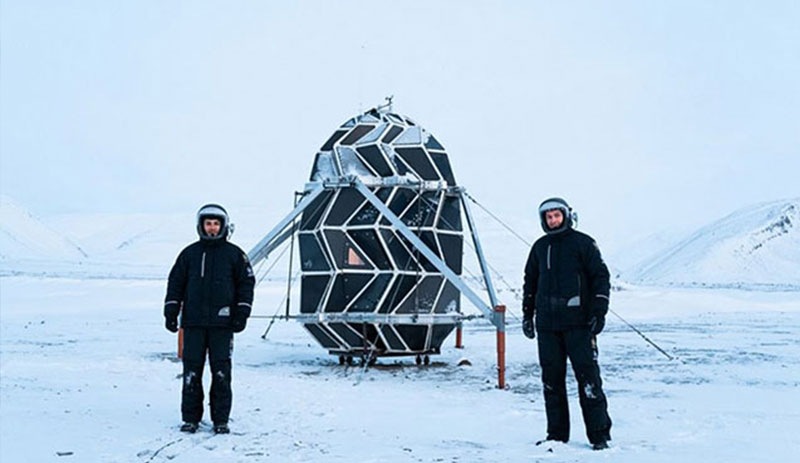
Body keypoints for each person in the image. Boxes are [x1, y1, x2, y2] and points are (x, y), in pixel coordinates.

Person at [522, 197, 612, 450]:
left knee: (588, 380)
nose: (553, 221)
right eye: (548, 217)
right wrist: (528, 315)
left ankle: (599, 435)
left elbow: (600, 278)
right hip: (548, 326)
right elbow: (530, 282)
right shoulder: (540, 247)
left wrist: (599, 311)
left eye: (556, 216)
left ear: (566, 215)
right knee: (551, 381)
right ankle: (557, 435)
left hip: (579, 325)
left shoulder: (584, 243)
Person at [164, 203, 255, 434]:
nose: (212, 228)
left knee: (221, 373)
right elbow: (175, 283)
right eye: (208, 223)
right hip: (193, 323)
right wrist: (171, 312)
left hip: (223, 325)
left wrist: (241, 313)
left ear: (223, 226)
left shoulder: (235, 255)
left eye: (216, 224)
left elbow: (246, 285)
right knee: (192, 372)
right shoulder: (189, 254)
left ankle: (220, 419)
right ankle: (190, 418)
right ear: (201, 226)